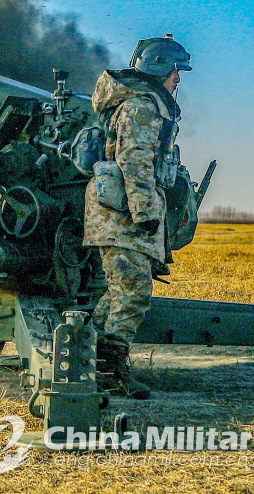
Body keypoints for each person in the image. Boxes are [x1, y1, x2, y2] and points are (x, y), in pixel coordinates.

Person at [84, 34, 192, 399]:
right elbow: (134, 160)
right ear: (160, 67)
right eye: (176, 71)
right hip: (123, 216)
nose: (178, 79)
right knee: (133, 292)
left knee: (120, 292)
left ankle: (89, 362)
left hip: (121, 213)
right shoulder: (142, 107)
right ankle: (108, 374)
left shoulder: (146, 104)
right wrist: (146, 212)